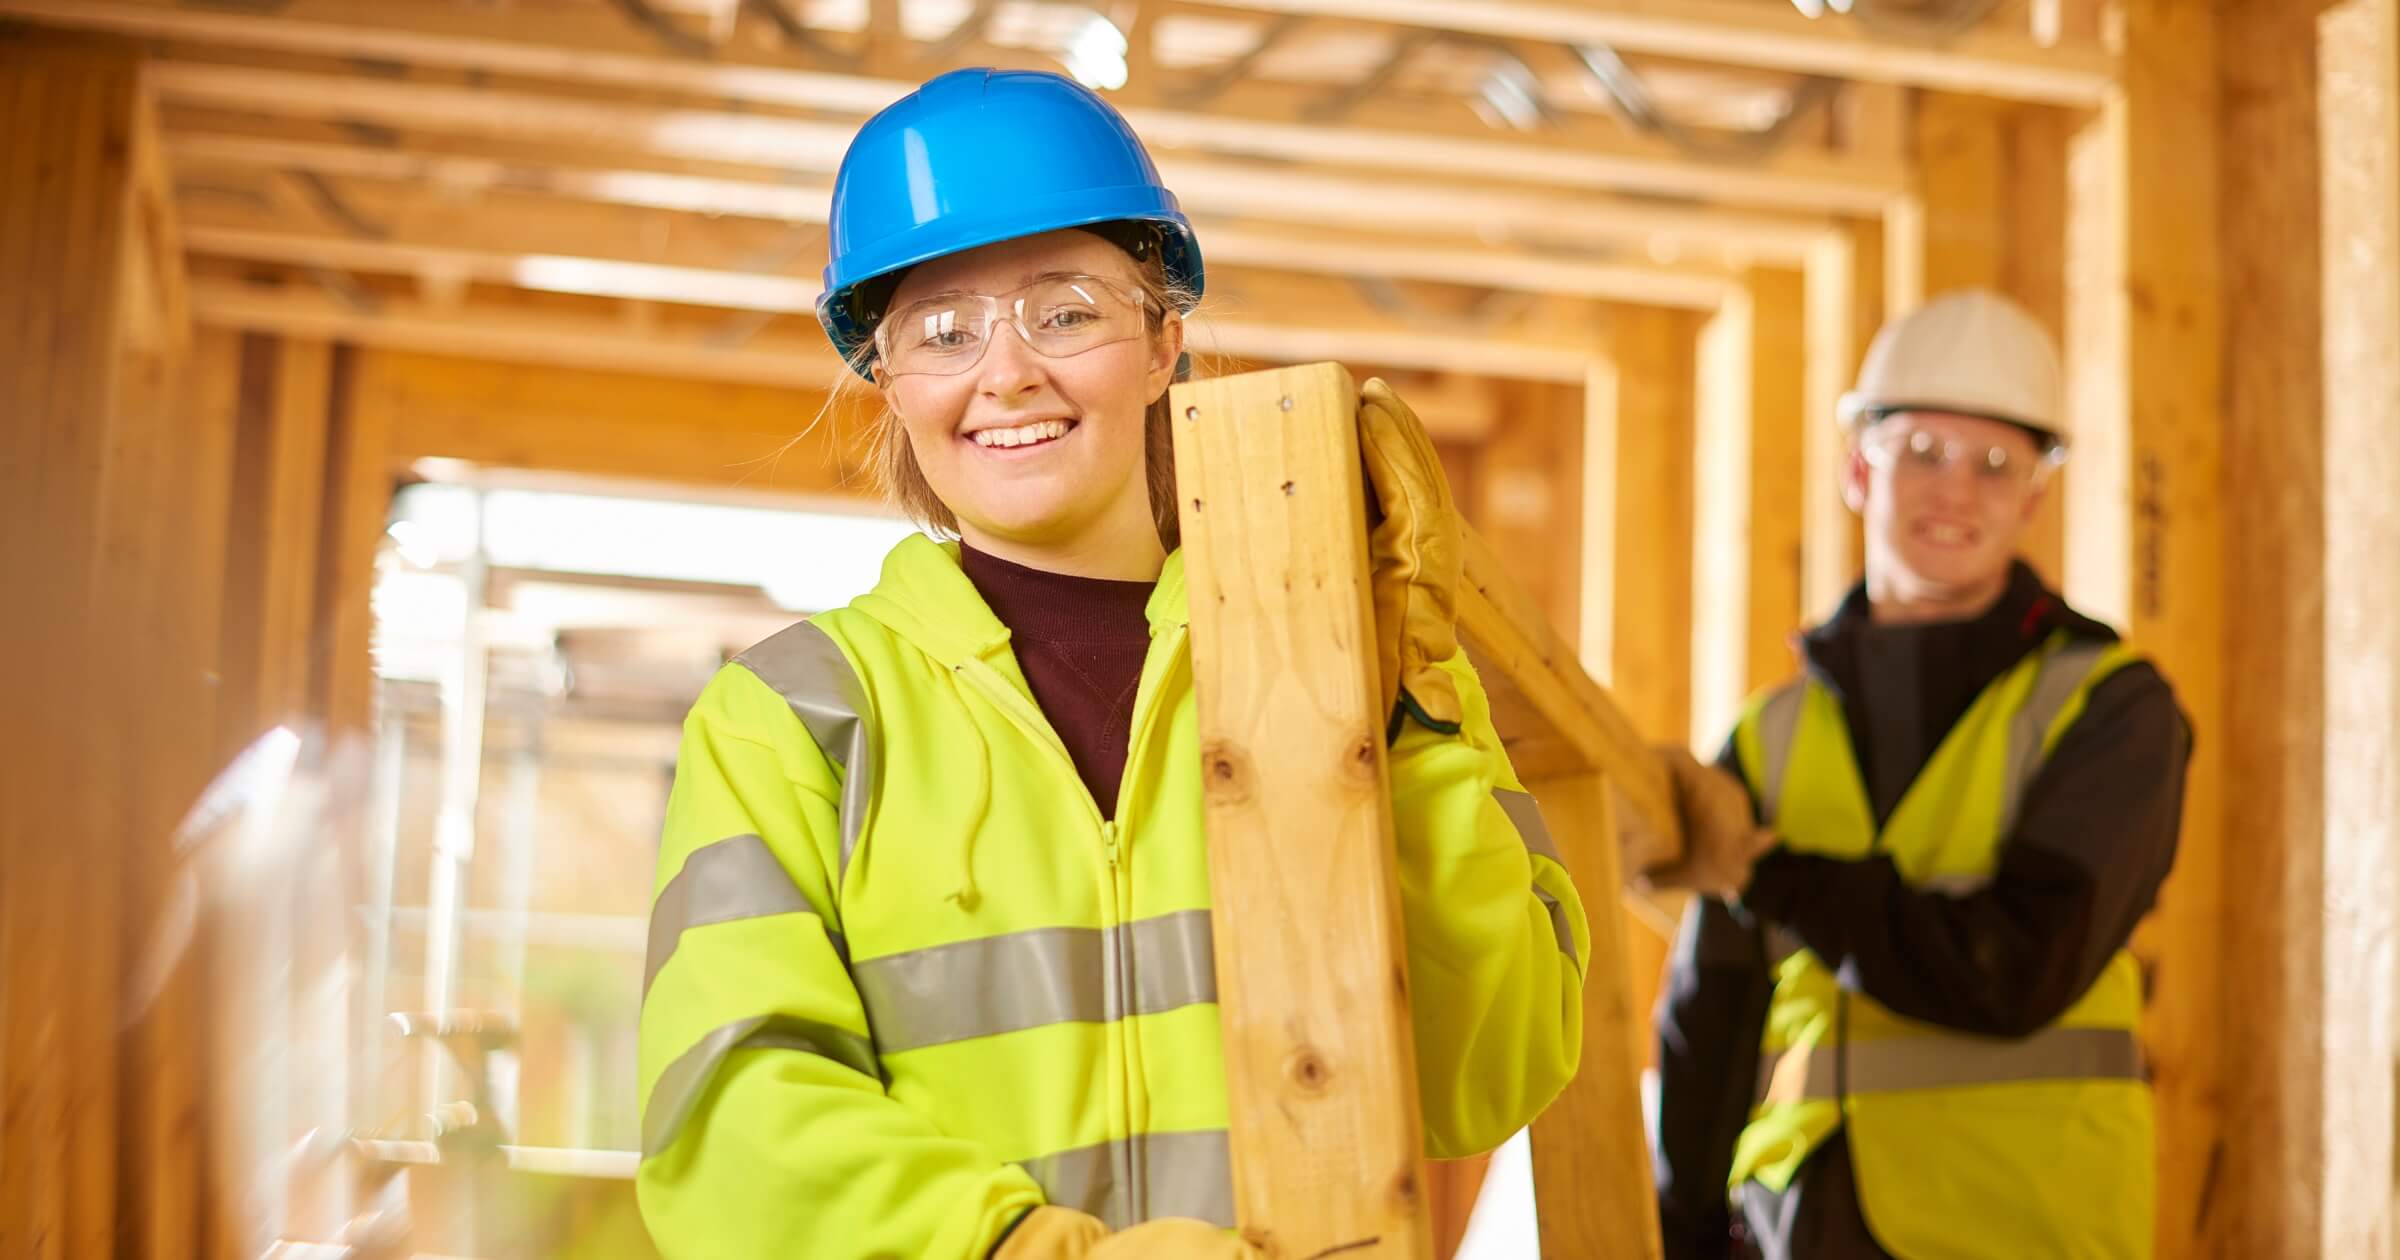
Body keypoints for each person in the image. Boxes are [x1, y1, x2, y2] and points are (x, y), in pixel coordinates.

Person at [633, 67, 1592, 1259]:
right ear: (887, 382)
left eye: (1066, 311)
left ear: (1161, 343)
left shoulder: (1341, 658)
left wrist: (1405, 710)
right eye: (943, 331)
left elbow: (1491, 1072)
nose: (1006, 373)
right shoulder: (791, 719)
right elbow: (727, 1124)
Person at [1651, 289, 2192, 1260]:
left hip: (2023, 1226)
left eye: (1996, 465)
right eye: (1924, 452)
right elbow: (1714, 1018)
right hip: (1795, 1223)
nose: (1957, 493)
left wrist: (1777, 878)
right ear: (1859, 469)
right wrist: (1677, 1233)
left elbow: (2014, 970)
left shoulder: (2112, 709)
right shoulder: (1772, 733)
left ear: (2034, 498)